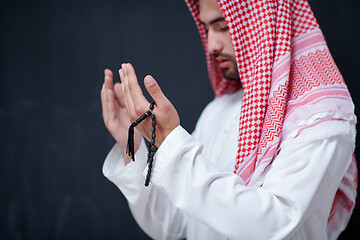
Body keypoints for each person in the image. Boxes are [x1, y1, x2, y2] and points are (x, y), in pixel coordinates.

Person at [100, 0, 357, 239]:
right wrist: (131, 145)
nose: (212, 45)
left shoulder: (321, 120)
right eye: (206, 28)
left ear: (266, 23)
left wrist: (169, 139)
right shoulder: (218, 111)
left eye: (223, 26)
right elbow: (174, 224)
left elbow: (271, 226)